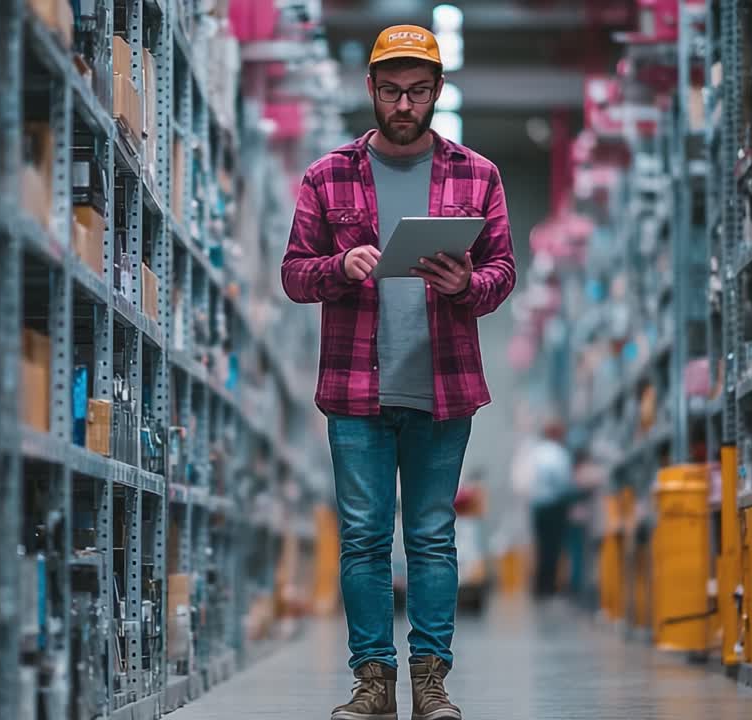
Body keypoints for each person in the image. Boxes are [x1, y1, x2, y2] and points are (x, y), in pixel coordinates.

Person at [280, 24, 516, 720]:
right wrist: (337, 267)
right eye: (391, 92)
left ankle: (431, 682)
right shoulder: (327, 176)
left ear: (437, 92)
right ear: (371, 92)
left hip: (444, 385)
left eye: (417, 92)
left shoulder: (479, 175)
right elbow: (294, 275)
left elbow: (502, 275)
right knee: (363, 537)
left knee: (433, 536)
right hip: (356, 387)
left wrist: (464, 285)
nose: (404, 105)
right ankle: (371, 682)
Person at [526, 423, 574, 600]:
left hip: (537, 506)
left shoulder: (537, 452)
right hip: (554, 505)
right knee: (553, 547)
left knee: (541, 546)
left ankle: (540, 586)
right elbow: (563, 482)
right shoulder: (559, 453)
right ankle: (549, 588)